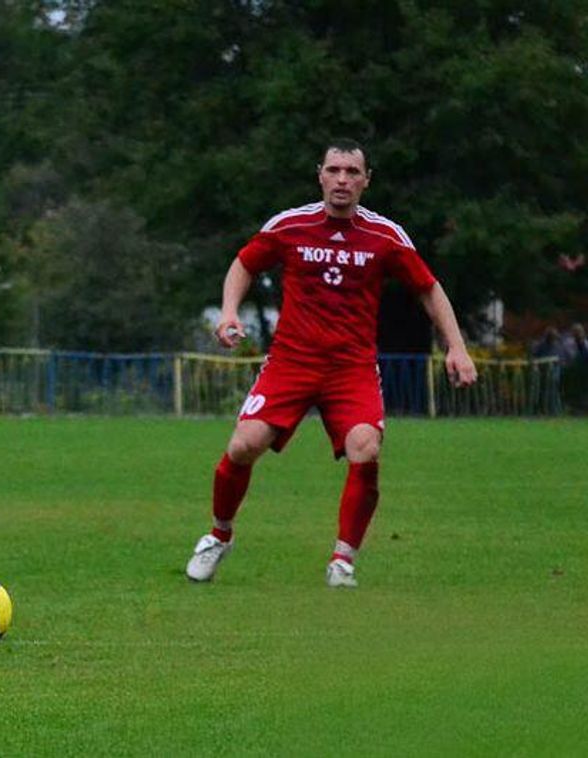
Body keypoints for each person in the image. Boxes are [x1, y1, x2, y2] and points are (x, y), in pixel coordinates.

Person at [185, 138, 477, 589]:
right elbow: (244, 264)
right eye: (335, 170)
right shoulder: (290, 225)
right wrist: (228, 313)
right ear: (320, 174)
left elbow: (428, 288)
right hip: (291, 362)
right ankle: (219, 536)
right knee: (244, 445)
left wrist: (456, 346)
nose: (343, 180)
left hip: (351, 368)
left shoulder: (385, 235)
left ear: (366, 181)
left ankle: (342, 563)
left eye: (352, 172)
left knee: (366, 447)